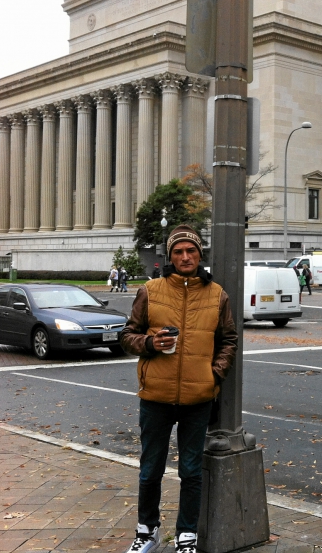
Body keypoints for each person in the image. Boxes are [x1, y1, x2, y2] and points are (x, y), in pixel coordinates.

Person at [121, 225, 238, 553]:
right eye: (178, 251)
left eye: (191, 251)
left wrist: (213, 375)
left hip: (197, 399)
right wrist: (150, 342)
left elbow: (228, 339)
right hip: (155, 397)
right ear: (170, 256)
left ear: (200, 255)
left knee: (190, 471)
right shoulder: (150, 290)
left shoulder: (217, 295)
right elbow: (127, 335)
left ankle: (187, 537)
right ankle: (147, 532)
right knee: (150, 470)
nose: (185, 256)